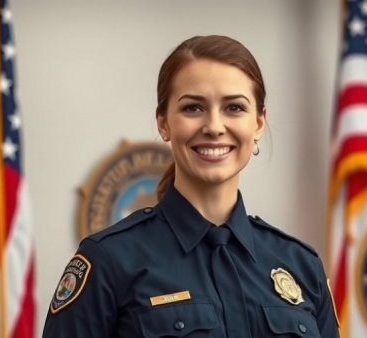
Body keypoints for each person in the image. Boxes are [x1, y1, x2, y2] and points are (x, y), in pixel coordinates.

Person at [43, 35, 340, 337]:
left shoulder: (302, 265)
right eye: (193, 108)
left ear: (259, 123)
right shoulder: (109, 260)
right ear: (163, 123)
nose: (213, 126)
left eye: (234, 108)